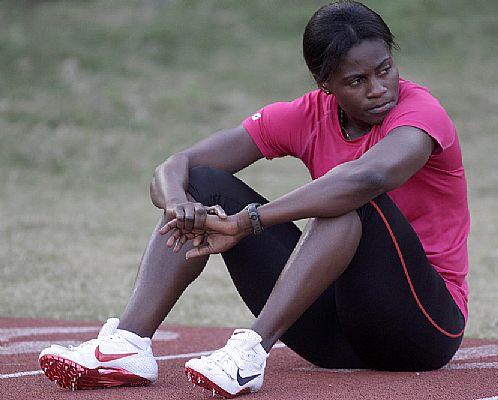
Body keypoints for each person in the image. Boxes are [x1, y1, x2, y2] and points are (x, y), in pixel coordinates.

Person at [39, 1, 469, 397]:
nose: (378, 88)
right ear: (325, 84)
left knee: (346, 197)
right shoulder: (305, 115)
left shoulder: (420, 113)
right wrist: (178, 203)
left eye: (385, 69)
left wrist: (248, 222)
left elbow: (370, 176)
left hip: (421, 328)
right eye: (357, 80)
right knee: (205, 181)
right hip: (331, 336)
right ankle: (127, 345)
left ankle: (249, 351)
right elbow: (178, 165)